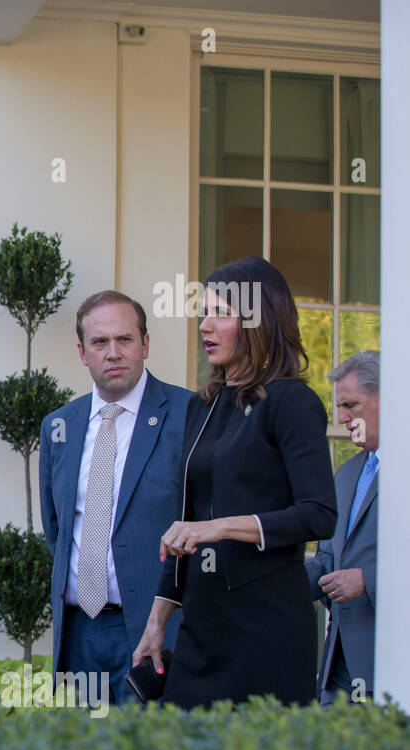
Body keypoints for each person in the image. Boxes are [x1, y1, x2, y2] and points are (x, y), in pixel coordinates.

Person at [134, 257, 337, 707]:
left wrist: (220, 526)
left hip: (265, 625)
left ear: (258, 320)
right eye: (203, 314)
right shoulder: (200, 407)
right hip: (202, 628)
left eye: (220, 313)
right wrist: (157, 622)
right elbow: (185, 524)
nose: (205, 326)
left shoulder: (292, 402)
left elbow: (319, 514)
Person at [39, 291, 189, 704]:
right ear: (83, 353)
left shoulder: (189, 414)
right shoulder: (59, 426)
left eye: (124, 339)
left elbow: (201, 521)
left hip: (154, 630)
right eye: (100, 343)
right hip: (78, 633)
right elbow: (57, 529)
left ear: (145, 344)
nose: (113, 353)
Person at [306, 350, 379, 704]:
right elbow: (325, 559)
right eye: (340, 407)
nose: (343, 417)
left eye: (352, 405)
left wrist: (367, 579)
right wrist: (277, 583)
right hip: (337, 663)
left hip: (387, 660)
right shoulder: (346, 474)